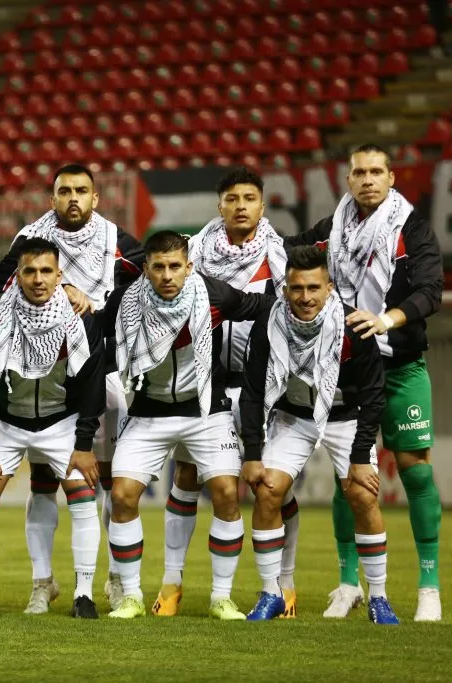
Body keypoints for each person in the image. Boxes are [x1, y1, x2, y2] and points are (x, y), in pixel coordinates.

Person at [286, 144, 444, 622]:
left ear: (391, 178)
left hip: (400, 366)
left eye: (377, 171)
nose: (368, 179)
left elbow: (430, 292)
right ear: (349, 180)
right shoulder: (333, 229)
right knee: (348, 478)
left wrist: (386, 319)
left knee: (415, 470)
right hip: (346, 371)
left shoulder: (412, 228)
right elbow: (289, 253)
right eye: (359, 172)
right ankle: (349, 583)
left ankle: (429, 586)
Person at [0, 162, 144, 613]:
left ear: (95, 199)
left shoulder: (118, 241)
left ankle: (116, 579)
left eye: (81, 191)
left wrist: (97, 304)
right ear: (51, 198)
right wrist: (62, 289)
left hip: (106, 371)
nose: (73, 197)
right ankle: (44, 581)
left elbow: (146, 284)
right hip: (46, 373)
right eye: (64, 191)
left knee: (110, 483)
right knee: (42, 482)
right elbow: (2, 281)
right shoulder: (30, 239)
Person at [102, 230, 274, 620]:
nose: (167, 275)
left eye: (175, 266)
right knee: (123, 495)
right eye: (158, 267)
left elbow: (264, 307)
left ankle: (221, 597)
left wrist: (255, 364)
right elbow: (96, 339)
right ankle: (130, 596)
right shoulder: (124, 301)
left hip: (206, 413)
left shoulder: (215, 295)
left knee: (227, 493)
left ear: (189, 266)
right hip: (148, 412)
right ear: (145, 269)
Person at [158, 167, 301, 618]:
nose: (241, 205)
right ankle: (173, 581)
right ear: (219, 206)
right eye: (232, 198)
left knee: (270, 486)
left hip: (265, 386)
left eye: (250, 198)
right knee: (185, 476)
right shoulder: (193, 252)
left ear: (263, 205)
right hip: (206, 384)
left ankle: (283, 582)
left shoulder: (280, 257)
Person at [239, 245, 399, 624]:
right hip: (293, 416)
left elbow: (375, 395)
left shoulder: (354, 327)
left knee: (362, 495)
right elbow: (252, 391)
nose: (305, 297)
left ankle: (378, 596)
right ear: (284, 290)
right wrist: (252, 451)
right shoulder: (268, 324)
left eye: (314, 288)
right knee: (268, 491)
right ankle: (271, 593)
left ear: (329, 288)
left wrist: (361, 457)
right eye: (297, 289)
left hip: (346, 417)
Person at [0, 237, 105, 619]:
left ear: (60, 276)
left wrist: (84, 443)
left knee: (81, 494)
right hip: (7, 424)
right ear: (18, 274)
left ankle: (84, 595)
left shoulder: (81, 318)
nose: (38, 279)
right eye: (29, 271)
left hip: (62, 422)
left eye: (46, 271)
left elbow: (93, 383)